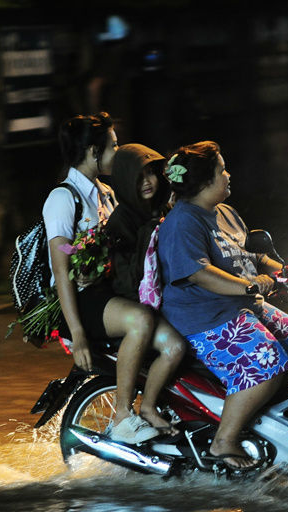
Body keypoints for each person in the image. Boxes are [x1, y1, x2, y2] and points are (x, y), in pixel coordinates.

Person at [156, 141, 288, 470]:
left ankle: (277, 426)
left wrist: (277, 266)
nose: (228, 175)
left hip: (238, 305)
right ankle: (223, 440)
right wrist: (249, 285)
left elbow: (242, 253)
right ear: (204, 183)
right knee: (267, 365)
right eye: (221, 170)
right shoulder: (183, 223)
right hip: (206, 316)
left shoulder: (219, 213)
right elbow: (199, 273)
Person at [43, 113, 177, 443]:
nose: (118, 152)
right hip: (82, 300)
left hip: (110, 292)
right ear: (92, 151)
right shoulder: (63, 198)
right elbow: (62, 272)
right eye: (113, 146)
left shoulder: (105, 192)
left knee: (174, 343)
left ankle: (152, 408)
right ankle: (121, 415)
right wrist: (78, 337)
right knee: (141, 321)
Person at [103, 143, 187, 433]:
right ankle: (134, 411)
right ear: (126, 180)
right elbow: (127, 280)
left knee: (186, 343)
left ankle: (161, 407)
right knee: (174, 345)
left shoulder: (164, 209)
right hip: (138, 305)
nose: (148, 182)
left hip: (170, 300)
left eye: (152, 174)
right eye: (139, 177)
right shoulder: (121, 222)